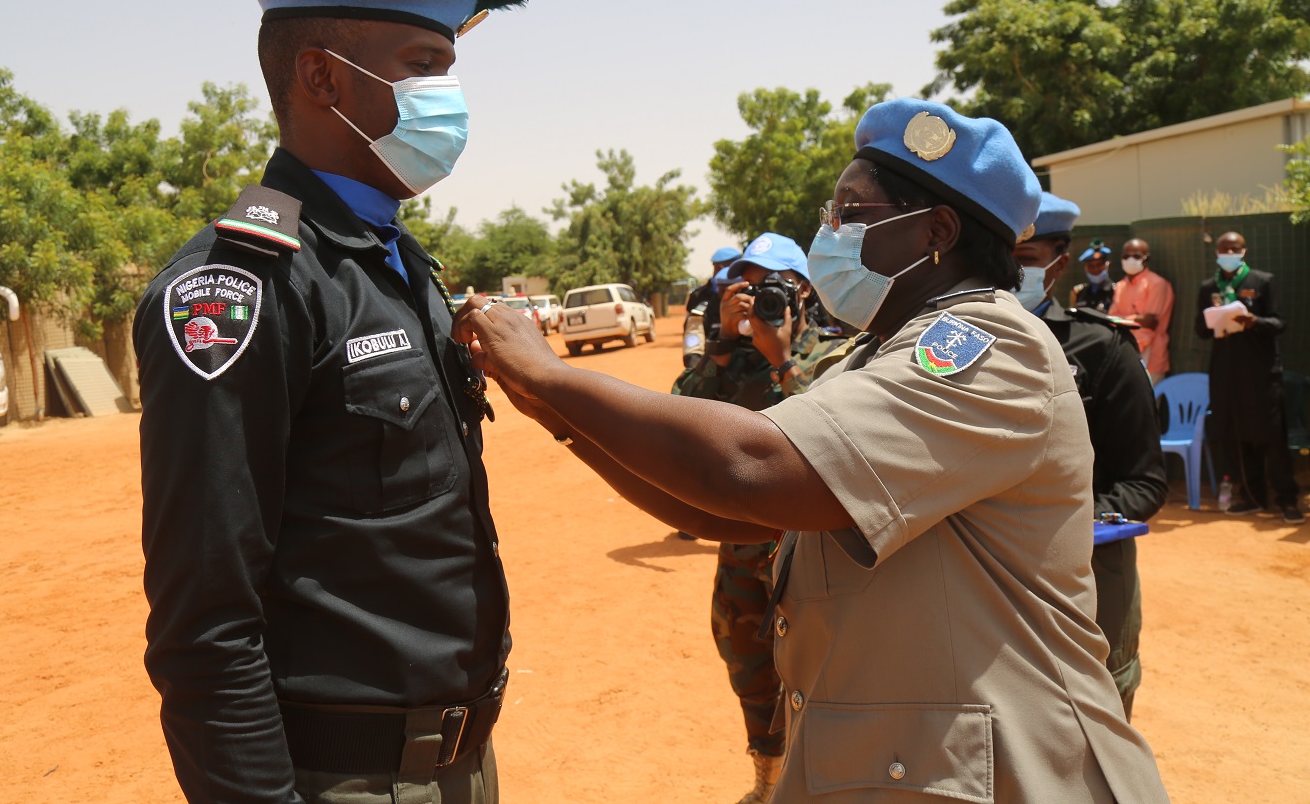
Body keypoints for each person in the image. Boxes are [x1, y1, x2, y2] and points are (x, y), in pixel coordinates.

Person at [454, 98, 1170, 803]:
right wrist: (554, 411)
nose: (829, 232)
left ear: (937, 232)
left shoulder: (986, 346)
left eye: (849, 213)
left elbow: (754, 470)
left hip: (1015, 773)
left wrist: (552, 372)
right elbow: (729, 515)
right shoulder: (873, 357)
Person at [134, 0, 555, 804]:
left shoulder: (394, 263)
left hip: (460, 766)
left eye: (451, 67)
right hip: (345, 779)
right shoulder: (241, 288)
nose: (449, 98)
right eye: (421, 67)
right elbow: (205, 623)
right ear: (322, 77)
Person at [671, 232, 847, 804]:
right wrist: (721, 344)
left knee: (824, 674)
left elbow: (837, 441)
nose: (757, 293)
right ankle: (768, 783)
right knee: (747, 664)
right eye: (746, 282)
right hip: (743, 552)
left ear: (801, 291)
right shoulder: (727, 358)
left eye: (771, 283)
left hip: (815, 559)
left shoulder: (832, 352)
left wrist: (784, 360)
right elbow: (679, 418)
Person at [1012, 194, 1168, 718]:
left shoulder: (1103, 349)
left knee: (1092, 738)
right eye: (1001, 254)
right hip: (989, 591)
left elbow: (1143, 483)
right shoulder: (953, 344)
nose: (1011, 271)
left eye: (1026, 258)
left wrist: (1056, 520)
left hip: (1088, 587)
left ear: (1059, 261)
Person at [1195, 231, 1303, 525]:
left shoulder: (1263, 281)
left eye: (1234, 248)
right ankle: (1251, 497)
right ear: (1216, 252)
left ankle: (1287, 500)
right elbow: (1200, 330)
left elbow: (1279, 323)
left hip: (1261, 372)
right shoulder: (1209, 287)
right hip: (1226, 374)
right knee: (1234, 435)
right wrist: (1214, 316)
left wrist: (1254, 321)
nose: (1228, 252)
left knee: (1272, 436)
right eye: (1223, 248)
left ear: (1244, 251)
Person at [1109, 237, 1174, 384]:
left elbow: (1150, 323)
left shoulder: (1157, 284)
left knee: (1149, 404)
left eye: (1136, 256)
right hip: (1124, 354)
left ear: (1146, 258)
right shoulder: (1120, 286)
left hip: (1150, 358)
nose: (1130, 259)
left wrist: (1123, 319)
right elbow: (1111, 319)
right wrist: (1136, 318)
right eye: (1126, 256)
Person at [683, 246, 742, 368]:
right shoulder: (699, 297)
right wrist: (698, 372)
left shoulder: (752, 295)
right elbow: (692, 338)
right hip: (710, 365)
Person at [1071, 238, 1115, 313]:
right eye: (1091, 266)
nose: (1095, 269)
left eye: (1099, 265)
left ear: (1107, 265)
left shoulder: (1116, 291)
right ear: (1085, 268)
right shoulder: (1078, 292)